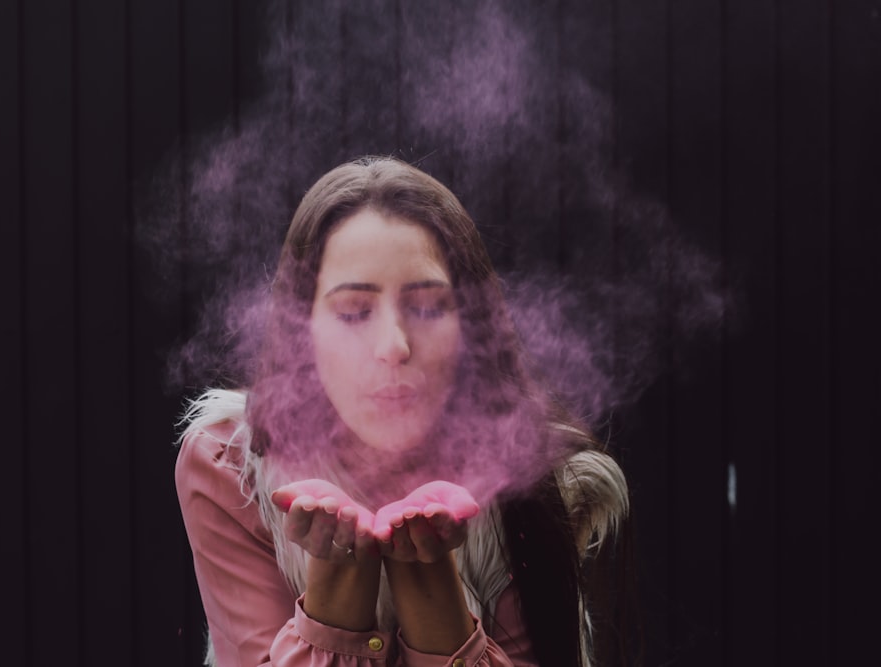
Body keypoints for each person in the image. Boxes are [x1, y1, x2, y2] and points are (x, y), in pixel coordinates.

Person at [175, 156, 631, 667]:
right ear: (301, 333)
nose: (394, 345)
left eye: (429, 307)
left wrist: (429, 576)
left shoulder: (537, 480)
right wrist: (335, 585)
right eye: (353, 312)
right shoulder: (231, 466)